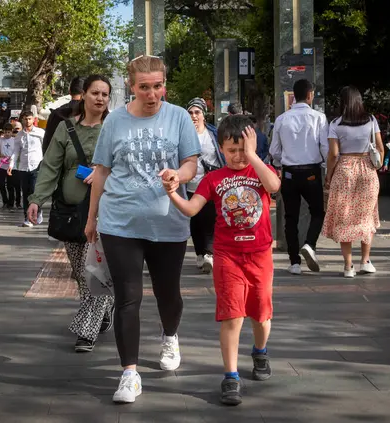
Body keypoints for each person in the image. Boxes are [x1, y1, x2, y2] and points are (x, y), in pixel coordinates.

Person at [85, 55, 201, 404]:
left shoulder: (179, 116)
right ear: (131, 87)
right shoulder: (115, 121)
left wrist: (178, 176)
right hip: (121, 221)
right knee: (127, 297)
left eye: (158, 85)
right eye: (144, 87)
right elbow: (102, 171)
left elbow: (191, 163)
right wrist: (92, 219)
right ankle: (129, 374)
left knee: (168, 294)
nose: (152, 94)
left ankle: (170, 334)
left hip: (168, 222)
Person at [164, 116, 280, 405]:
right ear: (221, 148)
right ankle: (230, 376)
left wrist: (254, 156)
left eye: (243, 149)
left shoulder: (259, 171)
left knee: (261, 314)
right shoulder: (213, 178)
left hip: (260, 255)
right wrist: (172, 194)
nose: (238, 156)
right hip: (227, 256)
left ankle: (260, 351)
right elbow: (192, 209)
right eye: (232, 150)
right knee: (232, 315)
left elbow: (274, 186)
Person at [27, 75, 115, 352]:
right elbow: (51, 166)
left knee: (99, 272)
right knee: (81, 272)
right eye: (95, 93)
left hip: (108, 213)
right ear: (83, 96)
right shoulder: (66, 129)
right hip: (71, 212)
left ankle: (86, 332)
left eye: (105, 94)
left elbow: (126, 167)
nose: (100, 98)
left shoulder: (115, 127)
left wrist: (102, 176)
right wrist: (36, 199)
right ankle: (105, 306)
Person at [322, 86, 384, 278]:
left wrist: (328, 175)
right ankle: (365, 261)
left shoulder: (336, 124)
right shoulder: (371, 120)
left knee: (344, 217)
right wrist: (377, 165)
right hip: (367, 169)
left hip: (344, 169)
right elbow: (381, 148)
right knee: (367, 215)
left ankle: (348, 266)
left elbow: (333, 154)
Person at [270, 79, 329, 275]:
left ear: (294, 96)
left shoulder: (281, 119)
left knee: (290, 217)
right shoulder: (319, 118)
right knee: (318, 212)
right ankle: (310, 244)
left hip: (289, 173)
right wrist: (327, 169)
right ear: (310, 95)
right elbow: (325, 147)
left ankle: (294, 262)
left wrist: (281, 163)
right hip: (312, 172)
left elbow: (274, 150)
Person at [185, 97, 225, 273]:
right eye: (191, 112)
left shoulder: (213, 134)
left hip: (211, 184)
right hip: (191, 184)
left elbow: (221, 155)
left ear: (203, 114)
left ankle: (209, 253)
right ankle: (200, 252)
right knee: (196, 221)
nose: (194, 116)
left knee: (211, 218)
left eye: (197, 112)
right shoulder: (183, 134)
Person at [8, 111, 45, 227]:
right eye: (25, 119)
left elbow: (46, 148)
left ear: (33, 119)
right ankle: (27, 217)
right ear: (22, 120)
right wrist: (11, 165)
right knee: (25, 193)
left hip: (37, 166)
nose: (27, 121)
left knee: (34, 191)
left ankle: (37, 212)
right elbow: (16, 151)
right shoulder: (19, 135)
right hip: (23, 167)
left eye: (29, 119)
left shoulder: (40, 132)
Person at [43, 76, 84, 154]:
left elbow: (47, 145)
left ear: (69, 91)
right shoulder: (91, 114)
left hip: (58, 161)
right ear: (85, 93)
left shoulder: (56, 114)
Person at [0, 123, 16, 211]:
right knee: (1, 184)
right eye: (5, 132)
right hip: (2, 165)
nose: (7, 134)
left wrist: (11, 158)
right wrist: (1, 156)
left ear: (11, 132)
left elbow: (16, 152)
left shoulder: (14, 140)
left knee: (10, 185)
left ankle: (11, 203)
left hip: (11, 166)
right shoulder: (0, 140)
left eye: (9, 132)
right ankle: (5, 201)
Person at [11, 121, 23, 209]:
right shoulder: (9, 139)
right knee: (11, 186)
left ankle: (18, 202)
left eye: (18, 129)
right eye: (15, 129)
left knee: (19, 187)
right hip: (11, 166)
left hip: (21, 167)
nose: (16, 131)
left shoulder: (24, 138)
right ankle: (10, 203)